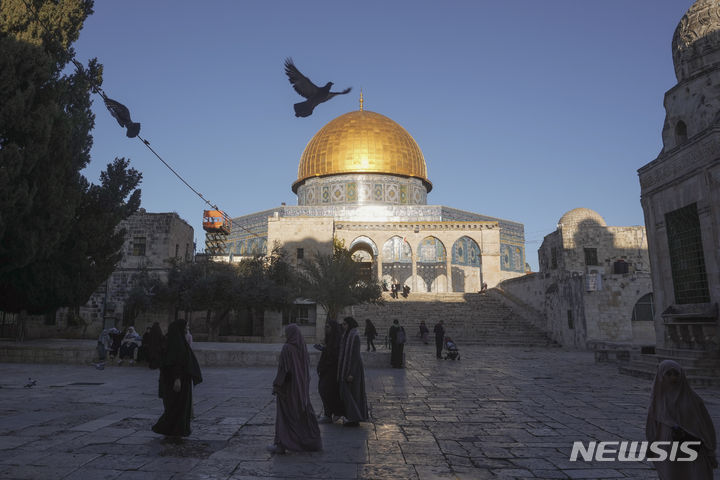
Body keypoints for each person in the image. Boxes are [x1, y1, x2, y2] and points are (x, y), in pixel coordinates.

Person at [646, 360, 717, 479]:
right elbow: (652, 425)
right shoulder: (657, 400)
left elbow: (706, 425)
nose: (673, 378)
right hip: (667, 447)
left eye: (676, 374)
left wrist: (710, 448)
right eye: (668, 374)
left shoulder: (693, 399)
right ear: (661, 376)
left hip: (692, 445)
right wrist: (651, 444)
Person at [268, 324, 322, 454]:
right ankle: (310, 442)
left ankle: (282, 444)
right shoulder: (302, 348)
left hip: (288, 389)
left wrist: (277, 385)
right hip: (301, 389)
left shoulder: (287, 348)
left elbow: (284, 370)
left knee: (285, 415)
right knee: (301, 414)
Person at [152, 319, 202, 438]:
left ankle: (174, 429)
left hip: (181, 379)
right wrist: (177, 378)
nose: (187, 328)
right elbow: (175, 362)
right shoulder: (175, 343)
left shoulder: (177, 340)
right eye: (186, 326)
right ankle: (170, 428)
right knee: (177, 405)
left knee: (179, 405)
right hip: (177, 380)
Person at [337, 317, 368, 426]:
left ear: (349, 324)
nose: (343, 326)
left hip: (353, 369)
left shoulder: (354, 336)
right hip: (346, 368)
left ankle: (354, 418)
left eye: (345, 324)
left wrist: (351, 373)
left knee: (353, 393)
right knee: (347, 393)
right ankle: (351, 416)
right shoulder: (346, 335)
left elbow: (355, 356)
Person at [315, 319, 344, 423]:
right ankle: (329, 413)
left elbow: (335, 355)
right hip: (326, 370)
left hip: (332, 370)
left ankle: (335, 412)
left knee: (327, 391)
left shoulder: (337, 340)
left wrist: (325, 350)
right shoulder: (329, 339)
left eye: (328, 327)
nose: (325, 329)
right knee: (323, 390)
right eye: (325, 327)